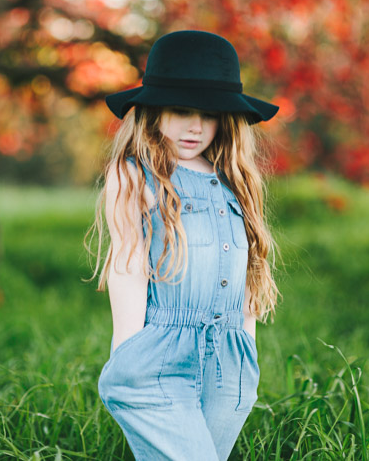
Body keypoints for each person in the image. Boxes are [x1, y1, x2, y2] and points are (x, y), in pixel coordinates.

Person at [85, 30, 281, 460]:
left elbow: (247, 273)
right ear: (153, 111)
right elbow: (128, 262)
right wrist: (128, 352)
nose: (195, 126)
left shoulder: (235, 179)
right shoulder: (136, 174)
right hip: (158, 356)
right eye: (180, 110)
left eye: (208, 114)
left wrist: (247, 351)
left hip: (229, 364)